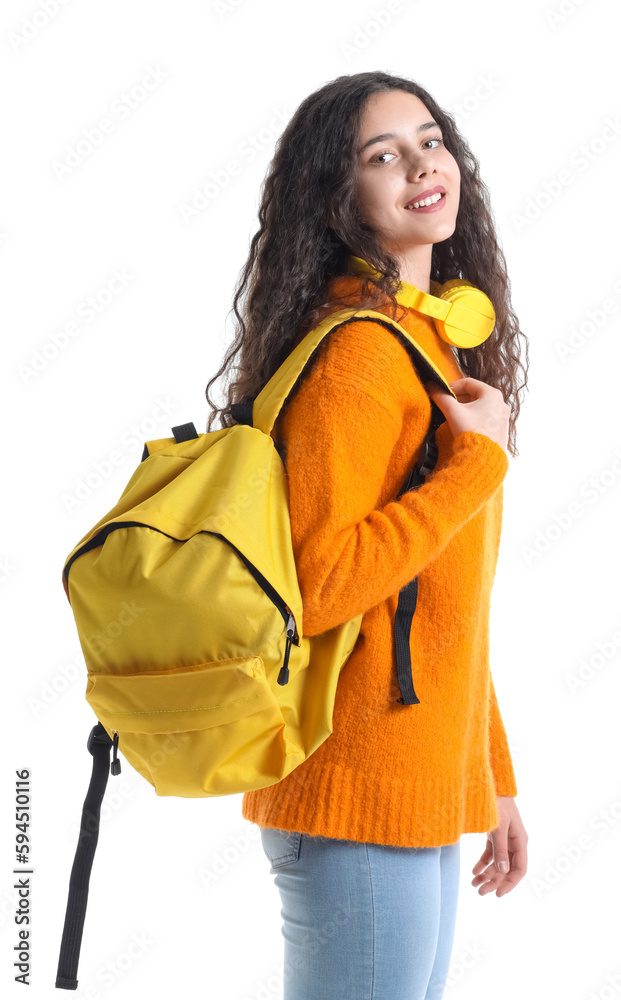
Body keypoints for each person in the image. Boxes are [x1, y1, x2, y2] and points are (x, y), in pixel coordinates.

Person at [205, 71, 529, 1000]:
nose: (421, 166)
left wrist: (490, 778)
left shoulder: (422, 346)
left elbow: (441, 608)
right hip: (353, 794)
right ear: (340, 199)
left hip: (415, 789)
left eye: (429, 140)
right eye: (381, 155)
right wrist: (476, 467)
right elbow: (321, 584)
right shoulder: (356, 356)